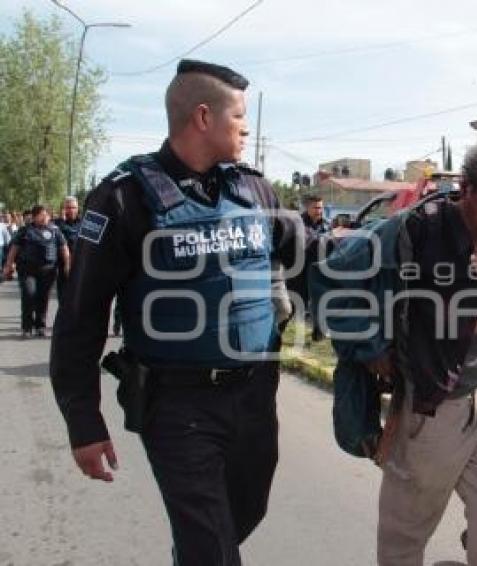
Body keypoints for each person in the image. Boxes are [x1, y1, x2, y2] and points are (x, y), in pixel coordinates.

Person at [49, 59, 298, 565]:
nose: (247, 129)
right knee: (211, 549)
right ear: (203, 117)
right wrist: (83, 421)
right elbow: (81, 316)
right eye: (239, 117)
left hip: (254, 397)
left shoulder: (255, 190)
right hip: (178, 404)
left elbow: (311, 259)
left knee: (238, 517)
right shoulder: (123, 199)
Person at [312, 134, 477, 566]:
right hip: (429, 409)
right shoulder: (414, 230)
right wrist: (368, 347)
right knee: (406, 535)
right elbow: (330, 280)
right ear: (466, 188)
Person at [3, 204, 69, 337]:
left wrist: (68, 264)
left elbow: (64, 248)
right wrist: (8, 265)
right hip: (28, 270)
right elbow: (14, 249)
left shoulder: (55, 230)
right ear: (34, 217)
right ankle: (27, 327)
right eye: (42, 215)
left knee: (43, 298)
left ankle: (40, 326)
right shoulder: (25, 230)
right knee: (29, 294)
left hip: (48, 270)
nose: (45, 217)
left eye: (46, 215)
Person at [54, 195, 82, 302]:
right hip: (62, 265)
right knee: (64, 297)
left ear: (78, 208)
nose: (71, 210)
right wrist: (61, 221)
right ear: (64, 208)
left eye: (73, 207)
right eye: (68, 207)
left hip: (80, 264)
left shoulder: (83, 222)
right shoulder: (56, 224)